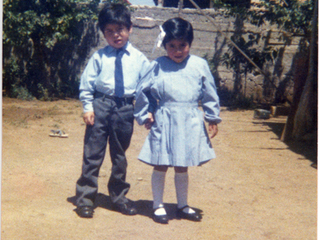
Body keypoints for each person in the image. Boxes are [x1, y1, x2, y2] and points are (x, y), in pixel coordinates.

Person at [134, 17, 221, 224]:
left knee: (183, 164)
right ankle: (158, 205)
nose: (178, 50)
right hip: (164, 120)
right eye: (172, 46)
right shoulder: (156, 65)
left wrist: (212, 116)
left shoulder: (199, 65)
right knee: (161, 162)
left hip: (190, 120)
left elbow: (210, 92)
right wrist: (147, 112)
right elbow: (142, 91)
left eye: (183, 45)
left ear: (190, 43)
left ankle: (182, 205)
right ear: (164, 45)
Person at [75, 3, 149, 218]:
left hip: (125, 108)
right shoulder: (99, 57)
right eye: (110, 31)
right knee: (93, 153)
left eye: (120, 29)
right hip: (100, 106)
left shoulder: (139, 59)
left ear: (130, 28)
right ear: (103, 33)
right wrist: (87, 107)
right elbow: (86, 83)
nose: (116, 35)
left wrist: (146, 112)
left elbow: (146, 88)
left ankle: (118, 197)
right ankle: (86, 198)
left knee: (119, 155)